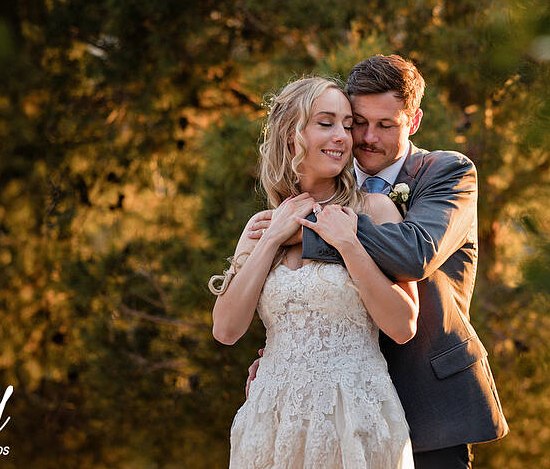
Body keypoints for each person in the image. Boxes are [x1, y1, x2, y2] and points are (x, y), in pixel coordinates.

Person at [245, 54, 508, 469]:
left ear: (414, 121)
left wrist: (307, 231)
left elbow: (415, 252)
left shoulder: (448, 172)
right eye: (357, 122)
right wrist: (289, 352)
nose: (366, 137)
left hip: (428, 397)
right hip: (338, 405)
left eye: (385, 125)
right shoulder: (323, 180)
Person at [211, 75, 417, 469]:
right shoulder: (261, 226)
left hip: (354, 414)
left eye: (346, 124)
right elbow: (226, 329)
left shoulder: (374, 211)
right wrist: (271, 239)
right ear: (292, 134)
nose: (343, 136)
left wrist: (350, 244)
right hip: (272, 417)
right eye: (326, 123)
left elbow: (403, 324)